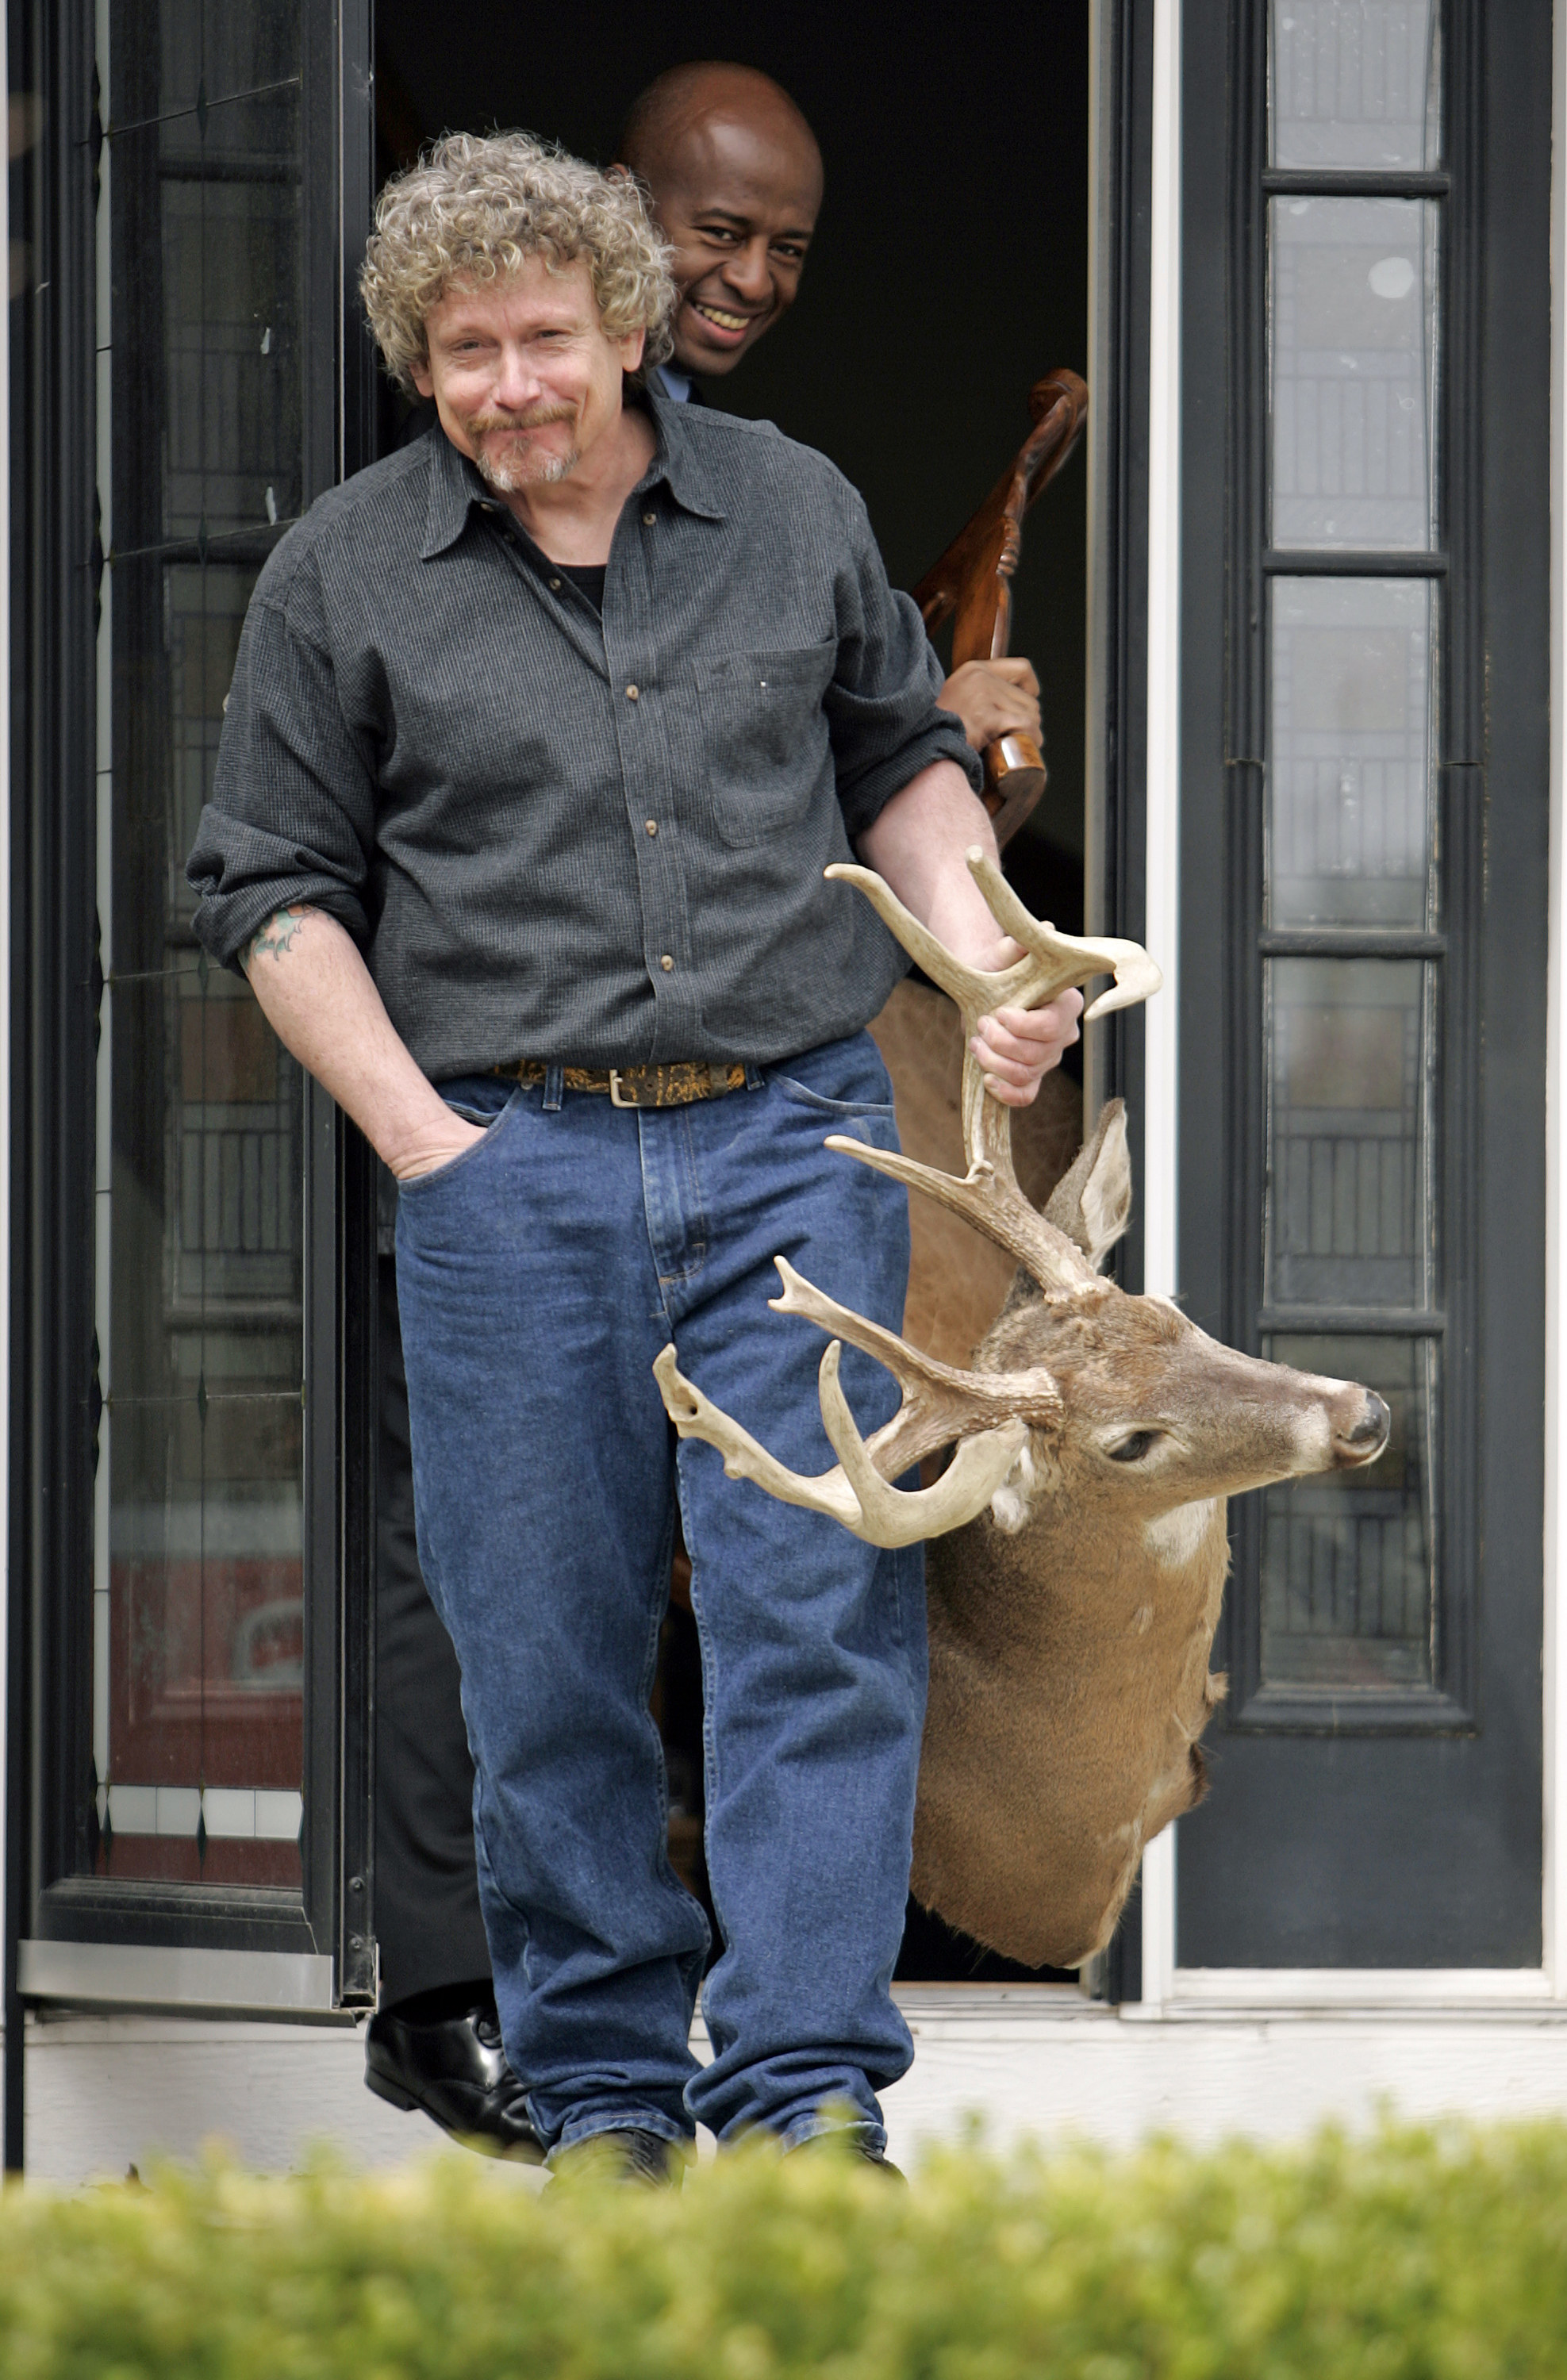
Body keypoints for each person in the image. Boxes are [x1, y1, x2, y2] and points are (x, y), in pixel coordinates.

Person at [189, 132, 1078, 2174]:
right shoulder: (343, 567)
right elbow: (268, 890)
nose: (507, 384)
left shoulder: (790, 508)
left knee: (816, 1624)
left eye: (545, 340)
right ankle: (602, 2091)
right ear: (421, 361)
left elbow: (900, 766)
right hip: (509, 1170)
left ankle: (805, 2099)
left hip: (796, 1149)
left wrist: (988, 963)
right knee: (550, 1650)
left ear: (628, 329)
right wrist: (432, 1148)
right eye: (463, 349)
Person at [615, 60, 1046, 760]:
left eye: (786, 249)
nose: (755, 279)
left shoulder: (725, 439)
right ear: (622, 204)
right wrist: (929, 726)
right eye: (722, 233)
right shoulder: (565, 433)